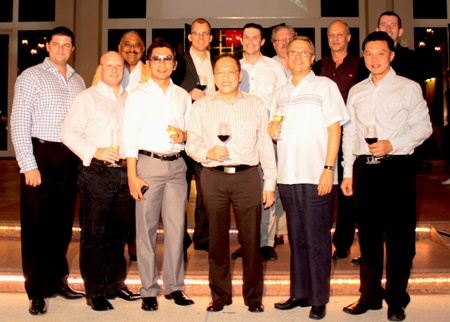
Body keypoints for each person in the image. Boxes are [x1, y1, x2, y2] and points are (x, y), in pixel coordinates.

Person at [341, 31, 432, 322]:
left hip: (397, 167)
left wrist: (393, 144)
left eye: (380, 52)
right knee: (367, 237)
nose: (374, 58)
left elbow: (423, 127)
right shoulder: (357, 91)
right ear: (363, 56)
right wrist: (346, 173)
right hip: (363, 168)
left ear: (391, 55)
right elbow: (349, 135)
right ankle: (370, 296)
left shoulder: (408, 88)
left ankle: (395, 298)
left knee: (399, 238)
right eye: (368, 53)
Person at [186, 53, 277, 313]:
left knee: (251, 240)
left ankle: (253, 296)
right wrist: (207, 153)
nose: (225, 77)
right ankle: (220, 294)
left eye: (230, 72)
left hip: (248, 176)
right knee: (216, 240)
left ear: (239, 75)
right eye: (220, 73)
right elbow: (191, 143)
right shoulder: (202, 106)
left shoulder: (256, 104)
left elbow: (264, 145)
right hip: (213, 177)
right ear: (213, 77)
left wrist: (269, 182)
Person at [268, 36, 349, 320]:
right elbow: (273, 129)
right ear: (286, 58)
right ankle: (299, 293)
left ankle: (318, 299)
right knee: (297, 237)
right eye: (293, 53)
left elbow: (335, 129)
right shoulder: (279, 92)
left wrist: (329, 169)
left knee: (317, 239)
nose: (298, 57)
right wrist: (271, 130)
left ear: (313, 57)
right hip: (288, 175)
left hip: (317, 175)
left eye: (304, 52)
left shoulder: (325, 86)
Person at [10, 26, 86, 316]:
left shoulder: (78, 80)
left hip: (69, 157)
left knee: (62, 224)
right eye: (56, 44)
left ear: (72, 49)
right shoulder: (31, 76)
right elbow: (19, 121)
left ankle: (57, 281)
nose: (61, 50)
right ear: (48, 46)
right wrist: (28, 164)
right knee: (36, 226)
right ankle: (36, 290)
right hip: (40, 154)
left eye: (67, 45)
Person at [62, 51, 140, 311]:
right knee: (94, 235)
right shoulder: (87, 98)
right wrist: (95, 151)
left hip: (123, 172)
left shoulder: (129, 99)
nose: (115, 69)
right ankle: (95, 291)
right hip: (95, 172)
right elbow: (68, 133)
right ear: (101, 68)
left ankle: (115, 285)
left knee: (118, 236)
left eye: (119, 66)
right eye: (110, 65)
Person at [123, 38, 194, 312]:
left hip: (177, 166)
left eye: (167, 59)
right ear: (149, 63)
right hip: (148, 166)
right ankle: (148, 289)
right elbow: (129, 137)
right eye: (157, 59)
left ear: (175, 65)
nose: (162, 63)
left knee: (177, 230)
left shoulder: (182, 96)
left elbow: (191, 133)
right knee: (146, 230)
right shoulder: (137, 96)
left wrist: (185, 135)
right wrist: (132, 175)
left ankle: (175, 287)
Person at [234, 22, 286, 261]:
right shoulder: (235, 68)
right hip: (240, 137)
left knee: (268, 186)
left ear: (263, 41)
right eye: (247, 37)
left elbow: (283, 99)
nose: (251, 41)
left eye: (256, 37)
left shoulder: (274, 67)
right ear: (241, 40)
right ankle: (247, 241)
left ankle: (265, 242)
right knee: (244, 190)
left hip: (267, 135)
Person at [312, 20, 361, 261]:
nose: (335, 39)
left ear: (349, 37)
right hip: (325, 136)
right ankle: (319, 238)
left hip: (351, 134)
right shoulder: (318, 66)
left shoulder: (360, 65)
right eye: (331, 35)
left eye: (340, 35)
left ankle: (342, 243)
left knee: (347, 191)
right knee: (323, 186)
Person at [173, 18, 215, 254]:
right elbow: (169, 90)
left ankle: (203, 236)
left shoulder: (217, 62)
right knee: (179, 190)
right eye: (196, 33)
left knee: (206, 189)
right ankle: (180, 236)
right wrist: (187, 94)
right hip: (182, 133)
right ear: (189, 37)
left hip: (207, 134)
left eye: (205, 33)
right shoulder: (177, 62)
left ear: (210, 37)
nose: (200, 37)